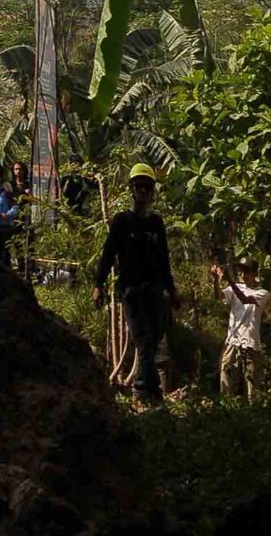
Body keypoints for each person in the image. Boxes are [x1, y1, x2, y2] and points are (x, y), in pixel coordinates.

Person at [93, 164, 178, 406]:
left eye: (147, 187)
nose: (142, 191)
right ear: (132, 190)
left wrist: (171, 290)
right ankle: (143, 391)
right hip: (130, 290)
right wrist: (98, 284)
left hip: (154, 289)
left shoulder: (156, 224)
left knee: (154, 337)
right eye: (138, 187)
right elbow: (108, 254)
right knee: (144, 339)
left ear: (152, 192)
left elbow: (164, 259)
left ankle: (150, 390)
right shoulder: (122, 222)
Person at [214, 258, 271, 401]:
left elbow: (246, 299)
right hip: (233, 342)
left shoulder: (263, 293)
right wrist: (216, 280)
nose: (244, 274)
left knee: (252, 390)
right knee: (226, 385)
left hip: (251, 345)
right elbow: (218, 296)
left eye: (247, 271)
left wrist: (230, 281)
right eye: (242, 271)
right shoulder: (234, 288)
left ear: (255, 273)